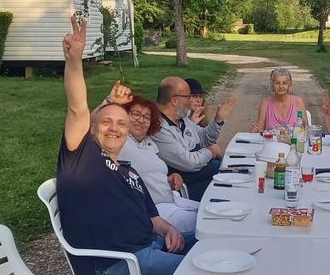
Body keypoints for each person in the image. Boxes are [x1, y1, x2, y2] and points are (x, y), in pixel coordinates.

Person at [57, 15, 195, 275]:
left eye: (121, 124)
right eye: (106, 122)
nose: (114, 128)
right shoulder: (82, 159)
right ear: (93, 128)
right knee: (208, 268)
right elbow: (77, 109)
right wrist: (74, 60)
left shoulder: (129, 172)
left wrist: (169, 229)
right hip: (122, 263)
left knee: (211, 243)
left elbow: (153, 218)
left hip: (152, 244)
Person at [116, 93, 200, 233]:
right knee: (205, 223)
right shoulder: (120, 141)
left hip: (173, 199)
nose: (141, 120)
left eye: (147, 117)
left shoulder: (148, 142)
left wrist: (170, 178)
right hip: (154, 210)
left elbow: (150, 172)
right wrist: (111, 101)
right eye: (135, 114)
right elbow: (94, 129)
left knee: (211, 211)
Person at [150, 76, 237, 201]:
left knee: (235, 174)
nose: (190, 100)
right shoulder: (159, 128)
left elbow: (204, 139)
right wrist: (210, 152)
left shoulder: (181, 118)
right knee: (231, 185)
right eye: (188, 97)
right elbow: (189, 163)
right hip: (187, 181)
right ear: (174, 100)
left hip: (203, 170)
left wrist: (218, 120)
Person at [250, 68, 307, 132]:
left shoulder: (298, 102)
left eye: (284, 83)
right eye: (277, 83)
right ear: (272, 85)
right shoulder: (265, 103)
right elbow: (259, 131)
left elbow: (306, 128)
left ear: (289, 84)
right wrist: (255, 131)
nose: (281, 86)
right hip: (270, 142)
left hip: (293, 141)